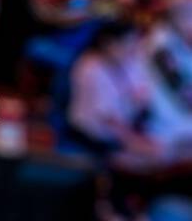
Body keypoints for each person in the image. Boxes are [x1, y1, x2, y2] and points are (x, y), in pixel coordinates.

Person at [67, 22, 169, 167]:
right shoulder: (90, 68)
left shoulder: (128, 60)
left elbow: (142, 94)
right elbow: (109, 119)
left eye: (134, 43)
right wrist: (137, 142)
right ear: (108, 44)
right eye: (127, 44)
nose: (132, 49)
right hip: (93, 138)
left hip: (127, 129)